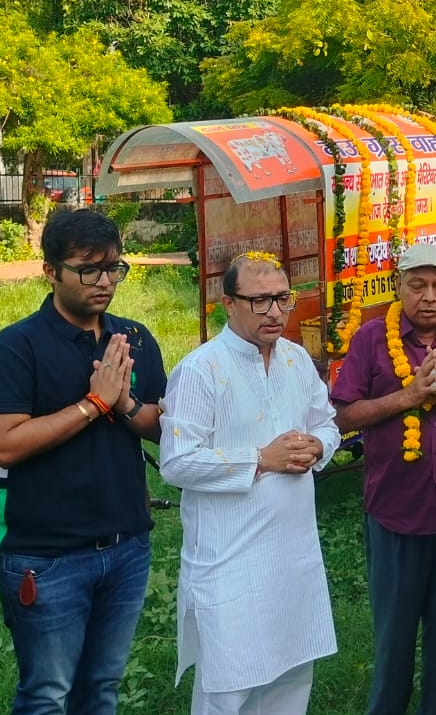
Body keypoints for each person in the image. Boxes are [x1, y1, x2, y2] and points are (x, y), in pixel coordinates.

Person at [0, 209, 167, 715]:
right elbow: (5, 444)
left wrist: (125, 404)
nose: (104, 282)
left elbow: (163, 427)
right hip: (46, 554)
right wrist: (93, 404)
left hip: (126, 544)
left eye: (114, 268)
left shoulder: (133, 339)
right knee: (46, 694)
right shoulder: (17, 347)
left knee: (102, 687)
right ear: (51, 271)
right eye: (88, 269)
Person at [160, 252, 340, 714]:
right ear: (228, 304)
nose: (275, 312)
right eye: (259, 301)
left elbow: (327, 423)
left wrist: (318, 446)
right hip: (230, 565)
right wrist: (261, 459)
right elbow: (176, 462)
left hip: (293, 560)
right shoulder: (201, 370)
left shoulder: (296, 359)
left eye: (282, 298)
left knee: (292, 679)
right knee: (228, 690)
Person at [330, 243, 436, 715]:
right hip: (396, 512)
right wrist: (408, 396)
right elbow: (343, 416)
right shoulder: (371, 338)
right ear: (399, 285)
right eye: (418, 285)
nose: (429, 297)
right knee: (395, 642)